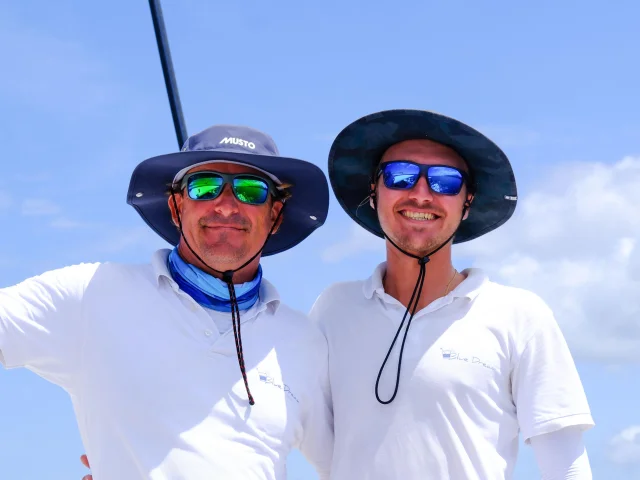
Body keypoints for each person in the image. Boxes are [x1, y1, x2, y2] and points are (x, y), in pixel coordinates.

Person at [0, 124, 334, 479]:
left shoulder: (307, 342)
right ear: (176, 207)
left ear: (275, 215)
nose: (225, 206)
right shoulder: (93, 292)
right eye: (204, 186)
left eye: (251, 190)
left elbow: (355, 463)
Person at [310, 109, 594, 479]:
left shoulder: (519, 315)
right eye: (400, 176)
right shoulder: (334, 310)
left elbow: (566, 463)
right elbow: (310, 436)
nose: (421, 194)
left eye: (446, 181)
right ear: (374, 192)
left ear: (467, 202)